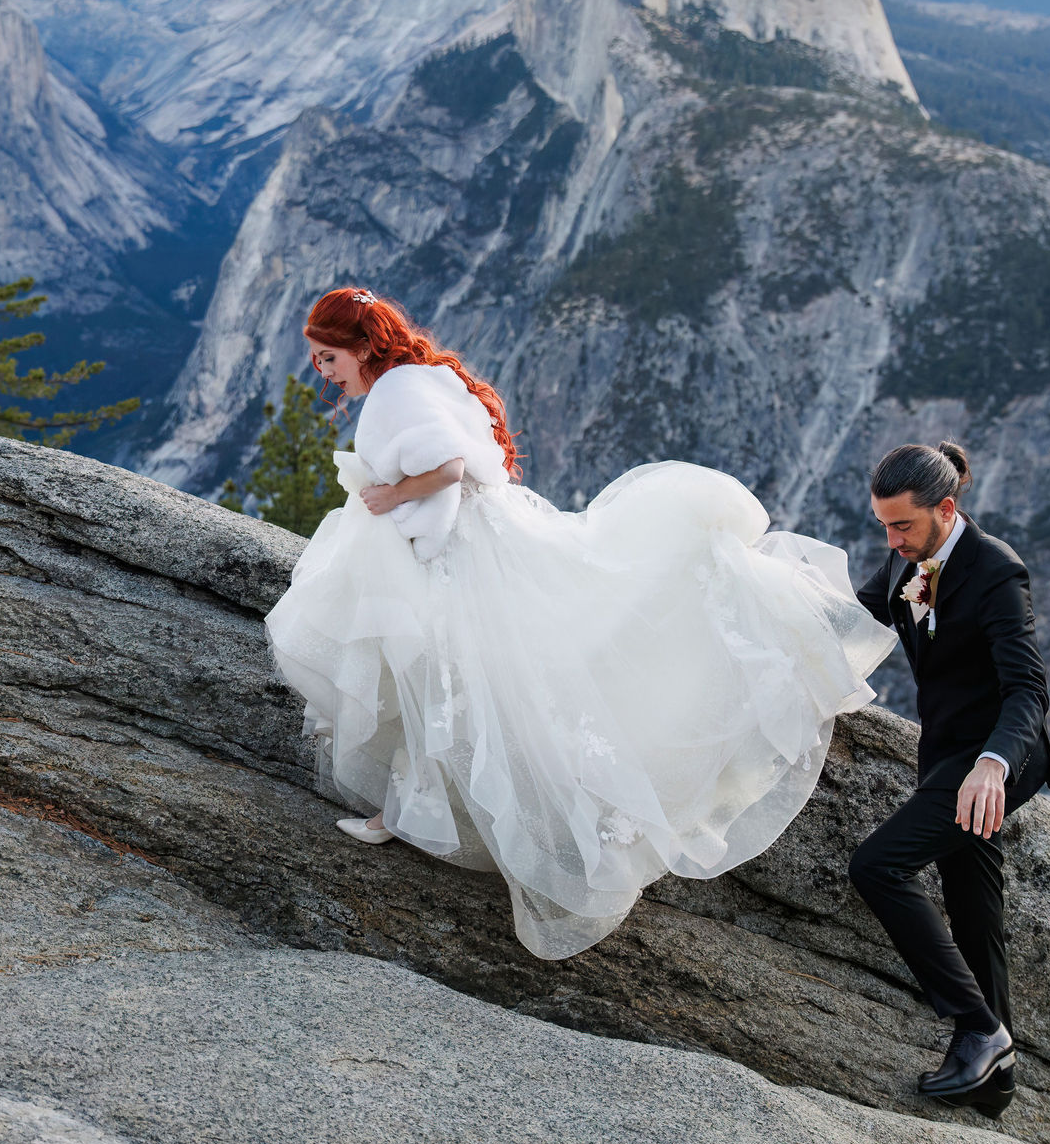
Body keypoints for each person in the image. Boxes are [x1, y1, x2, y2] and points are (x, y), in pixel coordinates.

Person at [263, 286, 895, 959]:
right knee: (453, 676)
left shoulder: (394, 391)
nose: (322, 371)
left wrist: (390, 491)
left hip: (469, 552)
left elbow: (447, 465)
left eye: (328, 357)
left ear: (363, 348)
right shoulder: (418, 375)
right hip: (478, 537)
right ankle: (404, 808)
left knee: (465, 675)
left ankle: (448, 812)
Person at [848, 441, 1050, 1119]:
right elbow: (870, 609)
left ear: (946, 507)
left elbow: (1028, 689)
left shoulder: (997, 572)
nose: (891, 539)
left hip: (996, 758)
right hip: (944, 753)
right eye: (883, 525)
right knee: (972, 903)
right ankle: (993, 1080)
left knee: (877, 866)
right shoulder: (906, 555)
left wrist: (993, 765)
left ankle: (978, 1028)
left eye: (902, 525)